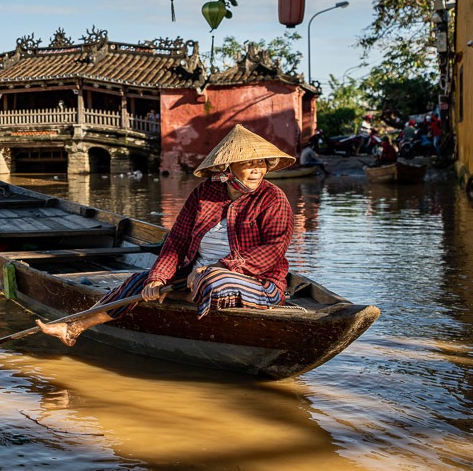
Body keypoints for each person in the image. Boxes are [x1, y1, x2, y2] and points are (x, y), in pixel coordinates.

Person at [37, 124, 295, 346]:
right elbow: (177, 241)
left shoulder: (272, 198)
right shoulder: (205, 193)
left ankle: (176, 296)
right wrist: (159, 279)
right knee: (141, 281)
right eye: (248, 163)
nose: (256, 170)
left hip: (258, 282)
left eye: (261, 163)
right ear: (228, 167)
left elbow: (273, 250)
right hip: (195, 276)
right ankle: (74, 327)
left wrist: (217, 268)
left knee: (215, 282)